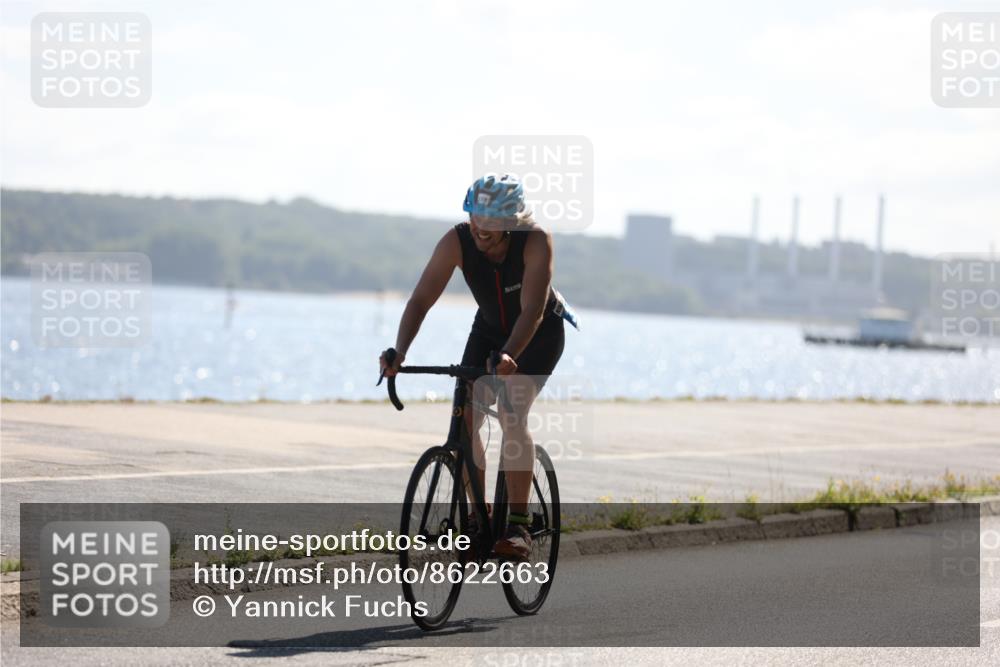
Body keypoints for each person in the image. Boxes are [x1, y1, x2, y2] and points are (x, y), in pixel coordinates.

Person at [380, 173, 573, 561]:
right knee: (465, 415)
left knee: (510, 410)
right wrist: (399, 352)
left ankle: (518, 526)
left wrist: (509, 355)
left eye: (491, 224)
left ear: (512, 221)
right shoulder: (456, 240)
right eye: (475, 219)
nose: (481, 230)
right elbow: (420, 300)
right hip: (488, 329)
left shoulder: (535, 240)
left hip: (537, 333)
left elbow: (532, 311)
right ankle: (477, 517)